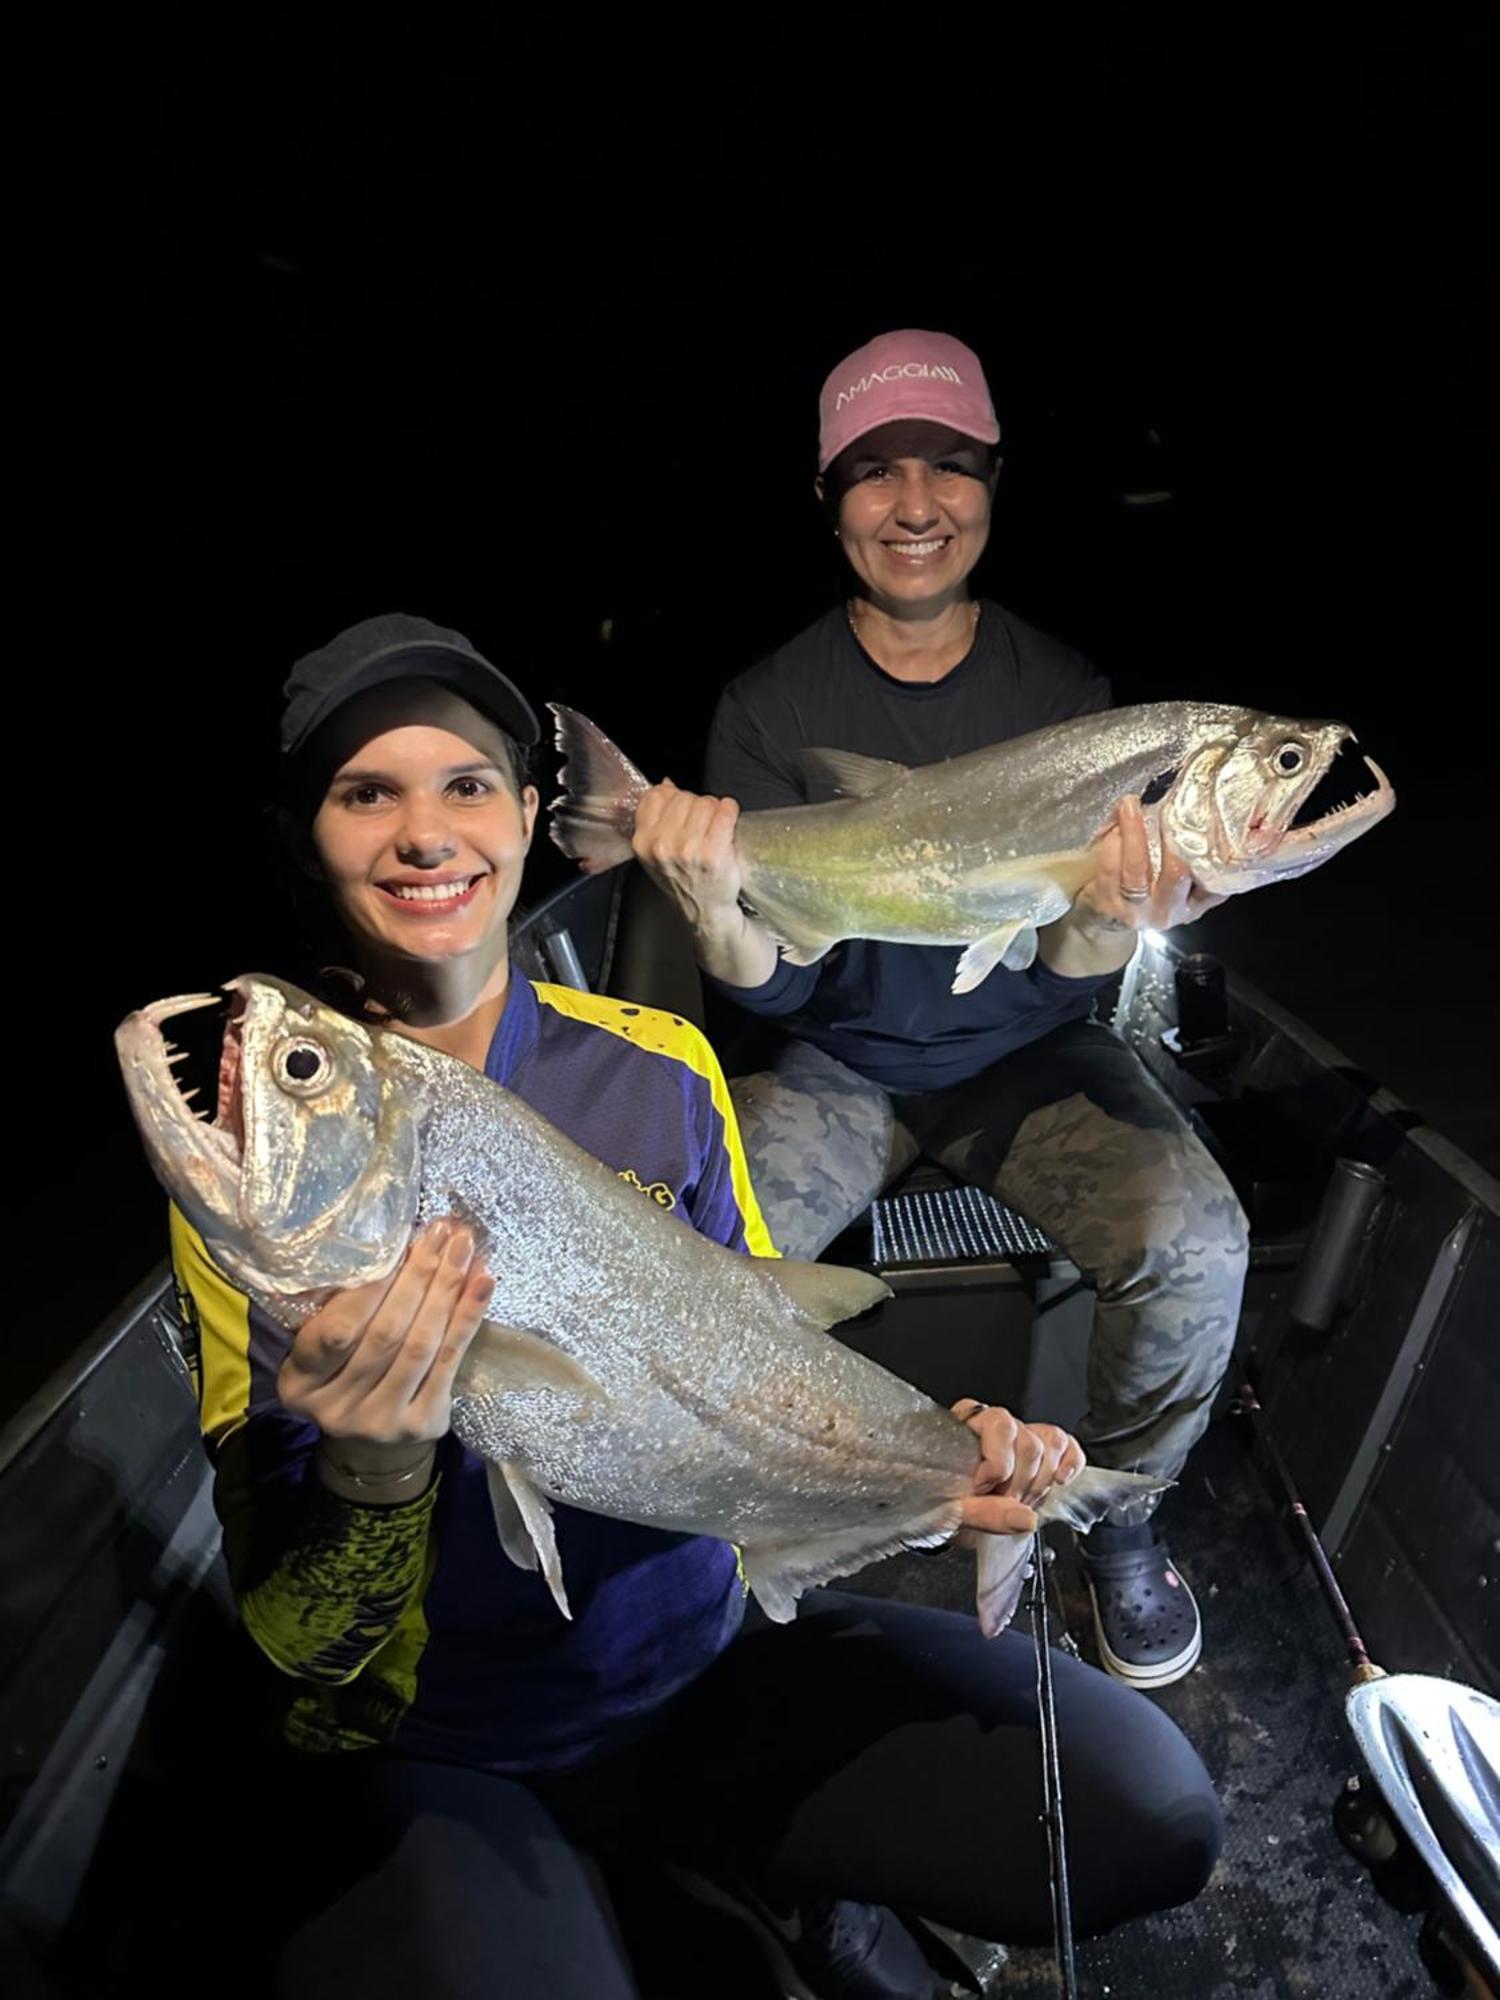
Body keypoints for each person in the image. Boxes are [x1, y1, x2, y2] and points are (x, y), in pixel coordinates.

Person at [169, 612, 1221, 2000]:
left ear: (533, 815)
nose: (426, 832)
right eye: (368, 793)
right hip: (442, 1742)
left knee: (1149, 1807)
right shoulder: (272, 1159)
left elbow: (758, 1348)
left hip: (701, 1668)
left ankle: (777, 1876)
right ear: (311, 835)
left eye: (466, 784)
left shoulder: (659, 1066)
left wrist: (934, 1459)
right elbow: (304, 1638)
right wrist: (373, 1473)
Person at [631, 330, 1250, 1692]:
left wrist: (1115, 913)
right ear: (826, 497)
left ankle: (1118, 1515)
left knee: (1197, 1242)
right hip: (833, 1065)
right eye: (873, 474)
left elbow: (1061, 977)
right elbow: (778, 989)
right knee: (697, 1279)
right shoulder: (769, 706)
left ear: (992, 481)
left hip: (1031, 1056)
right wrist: (718, 911)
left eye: (947, 467)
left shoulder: (1067, 698)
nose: (914, 506)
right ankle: (754, 1531)